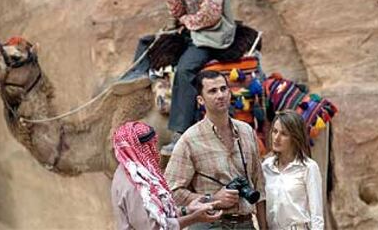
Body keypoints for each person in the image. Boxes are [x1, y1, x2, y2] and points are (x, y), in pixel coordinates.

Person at [114, 0, 236, 156]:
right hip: (193, 33)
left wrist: (185, 24)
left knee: (185, 69)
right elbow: (178, 11)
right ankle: (136, 77)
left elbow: (211, 15)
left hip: (211, 37)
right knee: (147, 42)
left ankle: (180, 132)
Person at [164, 70, 267, 230]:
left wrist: (264, 227)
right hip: (210, 224)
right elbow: (171, 191)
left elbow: (259, 186)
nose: (220, 95)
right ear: (200, 100)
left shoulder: (246, 131)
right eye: (212, 91)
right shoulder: (189, 139)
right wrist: (211, 199)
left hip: (246, 223)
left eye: (223, 89)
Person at [111, 121, 223, 230]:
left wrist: (187, 210)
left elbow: (158, 216)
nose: (155, 150)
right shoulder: (135, 185)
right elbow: (155, 227)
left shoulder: (133, 173)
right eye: (150, 146)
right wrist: (194, 218)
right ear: (139, 149)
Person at [262, 110, 324, 230]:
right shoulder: (266, 167)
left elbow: (317, 215)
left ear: (295, 137)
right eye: (275, 131)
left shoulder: (308, 167)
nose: (277, 137)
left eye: (284, 134)